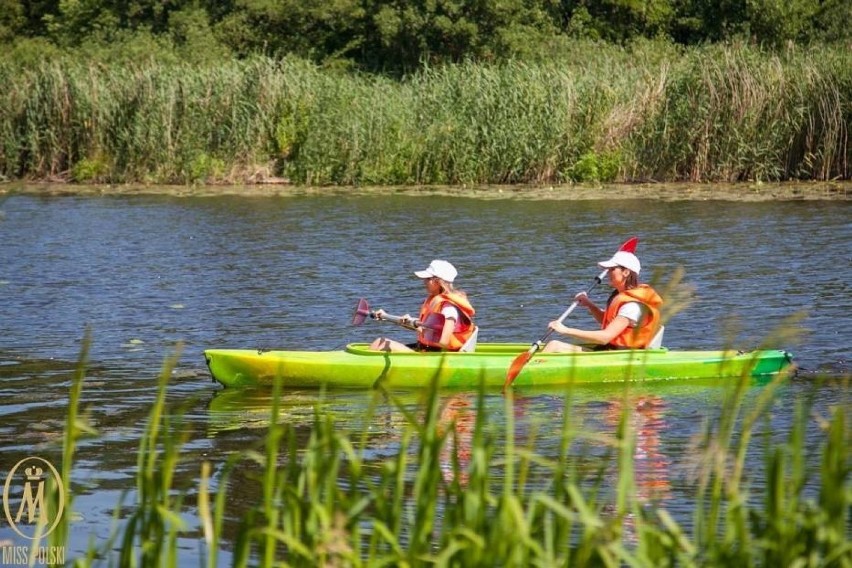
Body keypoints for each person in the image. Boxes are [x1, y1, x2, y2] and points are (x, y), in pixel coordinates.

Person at [542, 250, 663, 352]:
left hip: (622, 357)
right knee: (553, 345)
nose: (607, 273)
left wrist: (565, 330)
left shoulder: (632, 306)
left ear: (626, 272)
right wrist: (590, 305)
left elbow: (605, 337)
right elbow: (609, 322)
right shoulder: (621, 296)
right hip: (610, 351)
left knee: (554, 345)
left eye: (611, 269)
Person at [369, 260, 476, 352]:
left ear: (438, 282)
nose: (424, 282)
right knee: (379, 344)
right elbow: (432, 328)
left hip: (439, 356)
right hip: (427, 351)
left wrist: (421, 329)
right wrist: (402, 321)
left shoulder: (449, 309)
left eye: (428, 279)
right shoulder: (435, 301)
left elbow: (444, 341)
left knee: (380, 343)